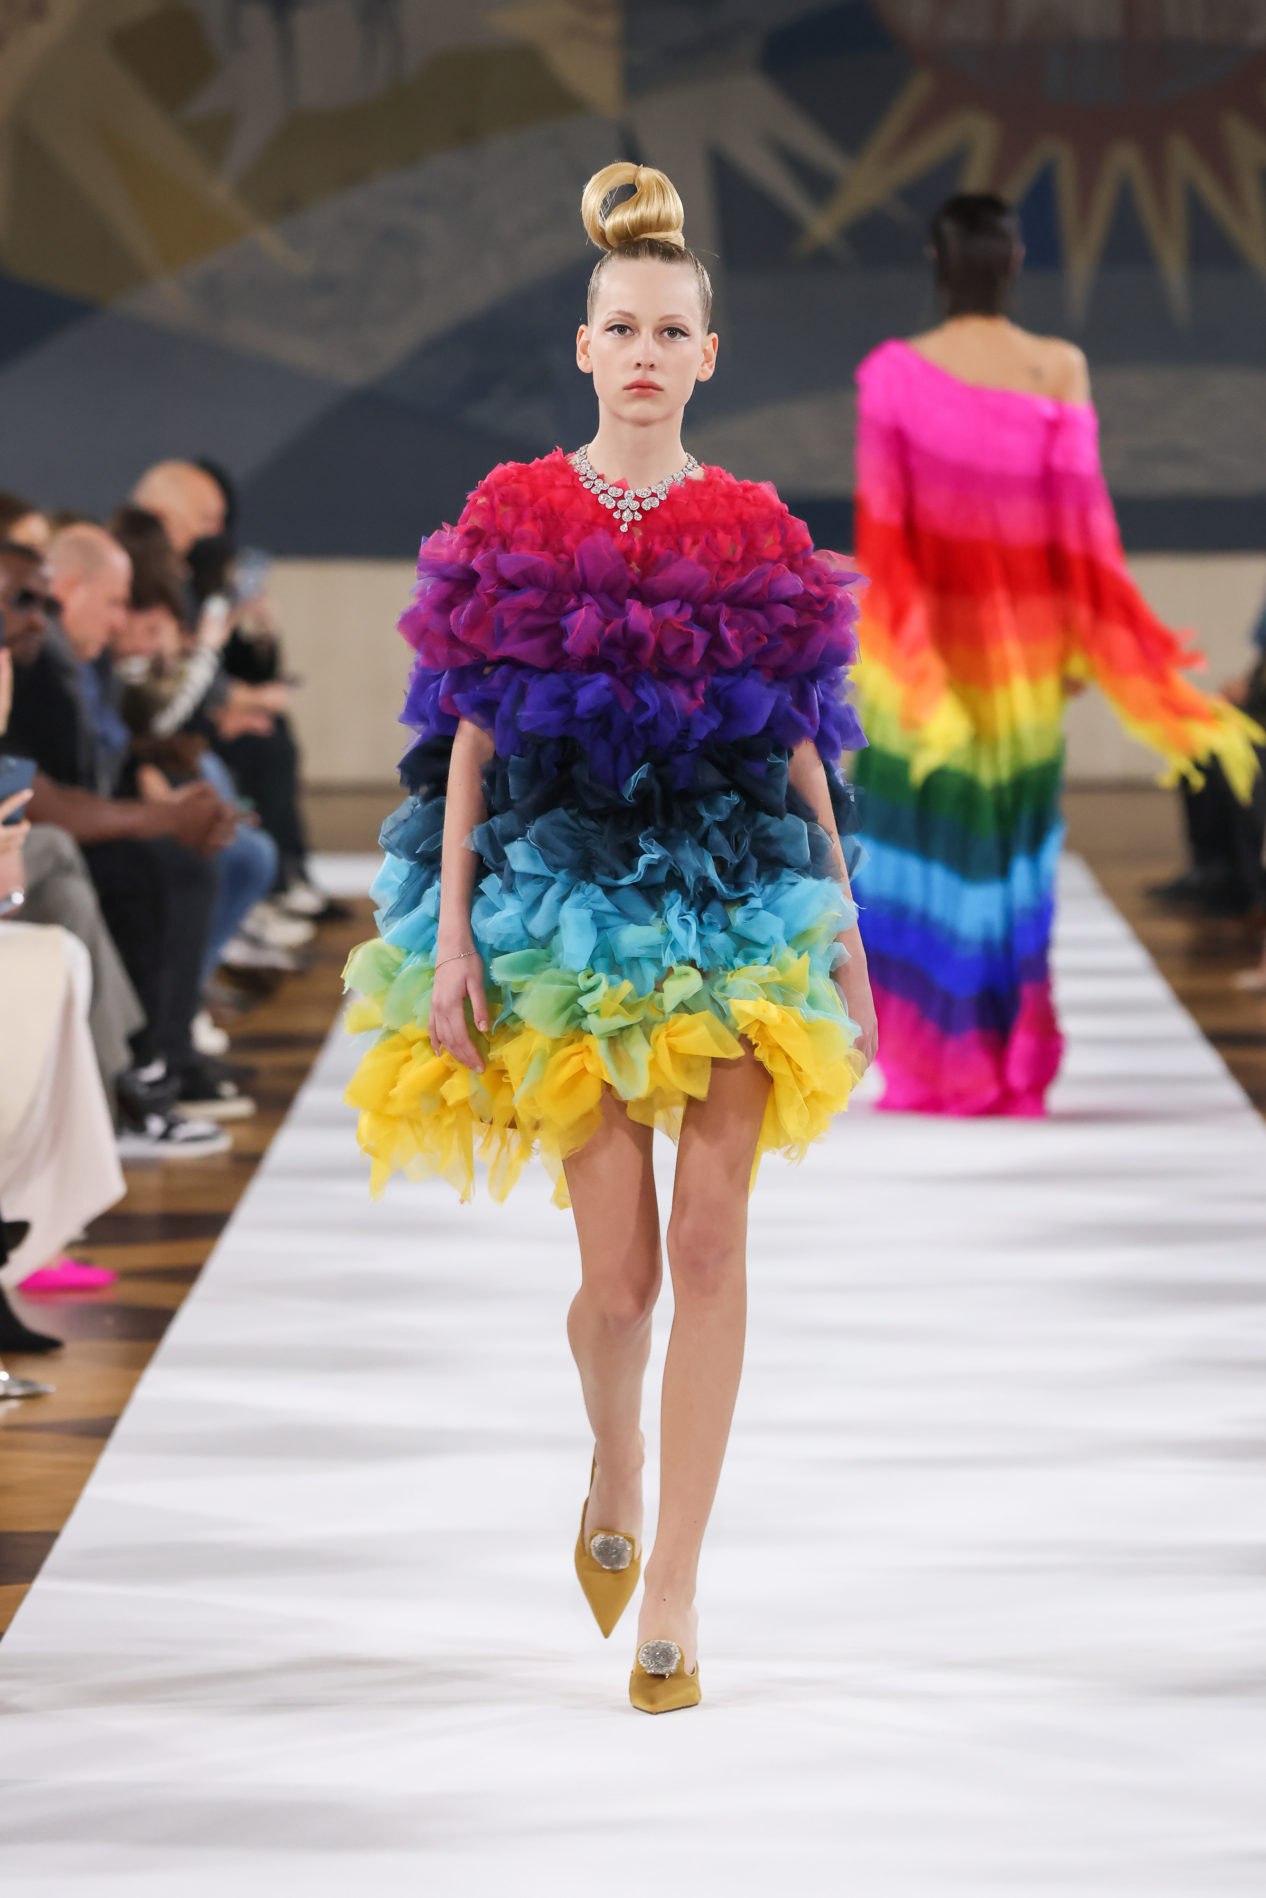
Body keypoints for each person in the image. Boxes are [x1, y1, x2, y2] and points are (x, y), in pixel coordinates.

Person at [344, 161, 877, 1715]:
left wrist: (841, 925)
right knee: (621, 1284)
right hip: (559, 898)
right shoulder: (511, 514)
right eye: (621, 328)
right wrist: (451, 937)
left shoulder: (756, 528)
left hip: (735, 894)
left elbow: (798, 739)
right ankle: (615, 1449)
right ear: (584, 347)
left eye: (670, 331)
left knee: (709, 1240)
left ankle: (678, 1590)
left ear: (707, 355)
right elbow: (463, 740)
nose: (644, 352)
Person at [849, 192, 1261, 1116]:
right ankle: (1006, 1055)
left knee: (929, 846)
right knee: (1010, 850)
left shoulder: (892, 375)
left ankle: (937, 1061)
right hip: (1024, 654)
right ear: (1016, 261)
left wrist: (901, 661)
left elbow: (887, 536)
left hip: (924, 655)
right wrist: (1093, 644)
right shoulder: (1057, 366)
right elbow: (1084, 529)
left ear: (936, 262)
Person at [2, 535, 240, 1148]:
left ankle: (140, 1070)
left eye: (45, 603)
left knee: (116, 870)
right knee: (100, 861)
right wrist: (159, 818)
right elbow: (37, 799)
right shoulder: (35, 668)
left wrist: (155, 781)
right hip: (28, 850)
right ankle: (135, 1073)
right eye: (24, 600)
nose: (40, 617)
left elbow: (29, 785)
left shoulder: (32, 664)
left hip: (22, 849)